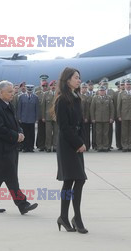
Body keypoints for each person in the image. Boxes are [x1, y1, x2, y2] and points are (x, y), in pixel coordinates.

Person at [0, 80, 38, 214]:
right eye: (10, 91)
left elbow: (15, 122)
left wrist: (20, 132)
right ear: (1, 93)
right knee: (11, 178)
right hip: (1, 150)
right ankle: (22, 204)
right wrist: (15, 136)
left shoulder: (8, 105)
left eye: (13, 91)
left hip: (9, 148)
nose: (13, 94)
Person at [53, 67, 88, 234]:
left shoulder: (76, 98)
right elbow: (64, 127)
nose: (79, 80)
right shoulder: (62, 100)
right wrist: (77, 143)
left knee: (78, 180)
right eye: (76, 77)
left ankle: (71, 217)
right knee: (71, 181)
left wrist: (83, 141)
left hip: (76, 142)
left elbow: (80, 123)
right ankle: (68, 217)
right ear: (67, 80)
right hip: (68, 144)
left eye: (79, 77)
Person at [117, 78, 131, 152]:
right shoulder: (121, 94)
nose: (128, 86)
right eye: (127, 84)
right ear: (125, 85)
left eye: (130, 84)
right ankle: (125, 146)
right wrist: (119, 116)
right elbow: (119, 106)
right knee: (124, 132)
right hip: (124, 116)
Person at [90, 86, 114, 152]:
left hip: (106, 119)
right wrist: (93, 118)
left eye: (103, 91)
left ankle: (105, 146)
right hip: (98, 119)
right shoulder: (95, 98)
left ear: (105, 91)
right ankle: (99, 146)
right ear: (98, 91)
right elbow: (92, 109)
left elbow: (112, 109)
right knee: (98, 134)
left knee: (106, 134)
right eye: (101, 90)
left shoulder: (108, 98)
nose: (102, 92)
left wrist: (111, 118)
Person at [17, 85, 40, 152]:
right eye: (28, 89)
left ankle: (31, 147)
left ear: (32, 90)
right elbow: (19, 108)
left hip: (32, 119)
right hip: (23, 118)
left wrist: (36, 118)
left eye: (31, 89)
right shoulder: (21, 97)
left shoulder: (35, 97)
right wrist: (19, 117)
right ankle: (24, 147)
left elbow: (37, 108)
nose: (29, 90)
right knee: (24, 133)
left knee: (31, 134)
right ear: (26, 89)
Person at [43, 81, 58, 152]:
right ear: (50, 86)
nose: (53, 87)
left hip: (56, 116)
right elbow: (43, 106)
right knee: (48, 132)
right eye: (52, 85)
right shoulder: (46, 94)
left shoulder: (59, 94)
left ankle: (55, 146)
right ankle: (48, 146)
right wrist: (43, 116)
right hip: (48, 117)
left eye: (54, 85)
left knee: (56, 132)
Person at [35, 78, 49, 151]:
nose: (45, 87)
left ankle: (46, 145)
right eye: (43, 86)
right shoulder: (38, 94)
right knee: (41, 131)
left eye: (46, 86)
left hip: (48, 116)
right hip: (40, 115)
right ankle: (40, 145)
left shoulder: (49, 93)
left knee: (47, 132)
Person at [79, 83, 92, 151]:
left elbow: (89, 108)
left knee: (87, 133)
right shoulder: (78, 96)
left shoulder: (89, 96)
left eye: (85, 88)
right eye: (83, 87)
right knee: (80, 133)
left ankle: (87, 146)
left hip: (87, 118)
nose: (84, 89)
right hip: (80, 118)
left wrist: (87, 117)